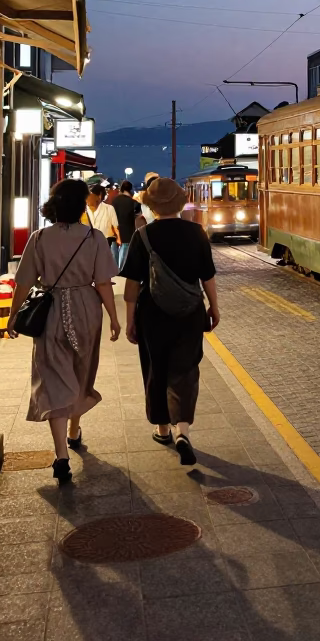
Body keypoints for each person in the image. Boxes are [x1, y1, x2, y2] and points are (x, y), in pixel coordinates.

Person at [6, 179, 120, 485]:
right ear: (82, 205)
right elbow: (104, 283)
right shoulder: (94, 238)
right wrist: (113, 317)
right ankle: (73, 430)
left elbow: (24, 281)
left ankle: (61, 455)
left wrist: (13, 315)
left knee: (54, 379)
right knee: (81, 373)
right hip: (87, 309)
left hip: (50, 310)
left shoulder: (39, 238)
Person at [121, 177, 220, 466]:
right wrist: (213, 307)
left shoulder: (144, 236)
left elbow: (131, 284)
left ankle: (162, 428)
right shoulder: (196, 232)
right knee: (186, 367)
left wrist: (129, 320)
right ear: (179, 203)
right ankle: (183, 430)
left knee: (155, 367)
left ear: (151, 206)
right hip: (190, 312)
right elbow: (208, 275)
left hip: (152, 313)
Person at [84, 183, 119, 262]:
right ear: (100, 195)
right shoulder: (109, 208)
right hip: (105, 242)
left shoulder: (86, 209)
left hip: (96, 242)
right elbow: (116, 226)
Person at [112, 180, 140, 268]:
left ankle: (115, 268)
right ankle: (121, 269)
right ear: (130, 189)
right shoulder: (133, 202)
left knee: (115, 249)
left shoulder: (114, 201)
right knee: (124, 250)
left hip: (115, 229)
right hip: (128, 229)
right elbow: (138, 215)